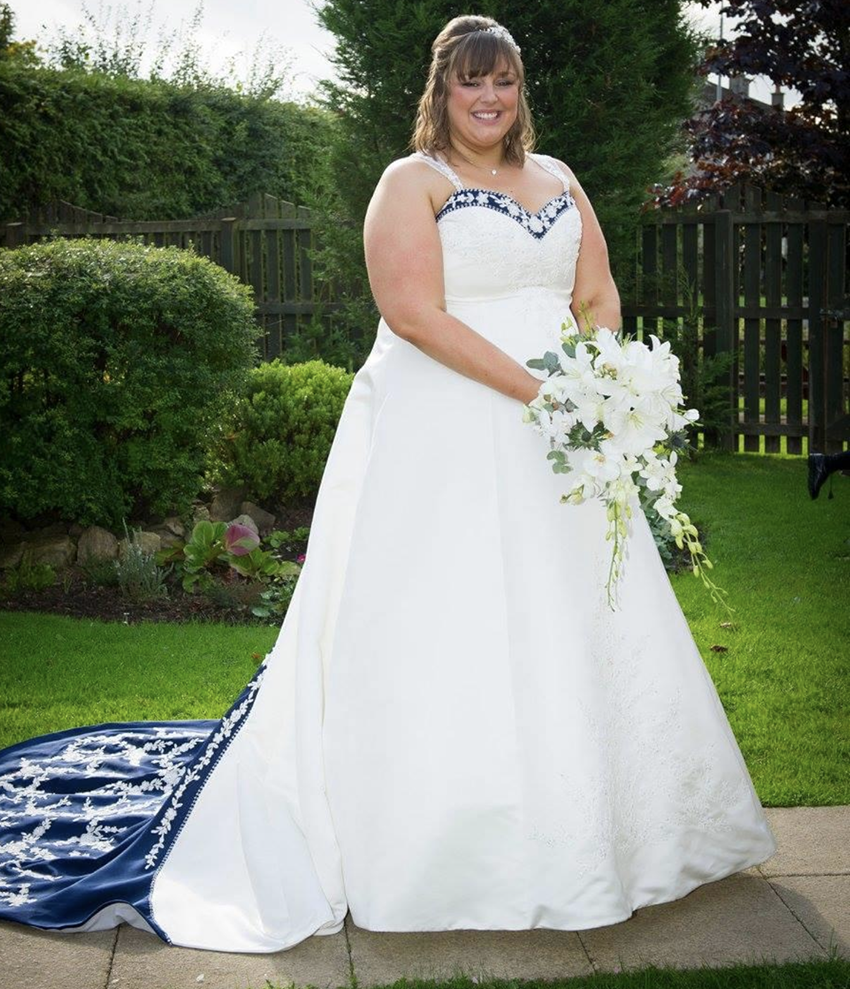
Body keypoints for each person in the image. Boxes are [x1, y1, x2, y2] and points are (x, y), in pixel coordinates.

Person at [0, 15, 777, 953]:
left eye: (505, 85)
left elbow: (597, 292)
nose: (490, 101)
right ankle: (431, 839)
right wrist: (543, 393)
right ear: (441, 92)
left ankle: (613, 831)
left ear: (521, 92)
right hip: (447, 427)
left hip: (563, 442)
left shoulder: (559, 179)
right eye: (471, 85)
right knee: (447, 615)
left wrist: (602, 382)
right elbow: (410, 314)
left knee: (573, 613)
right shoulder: (410, 184)